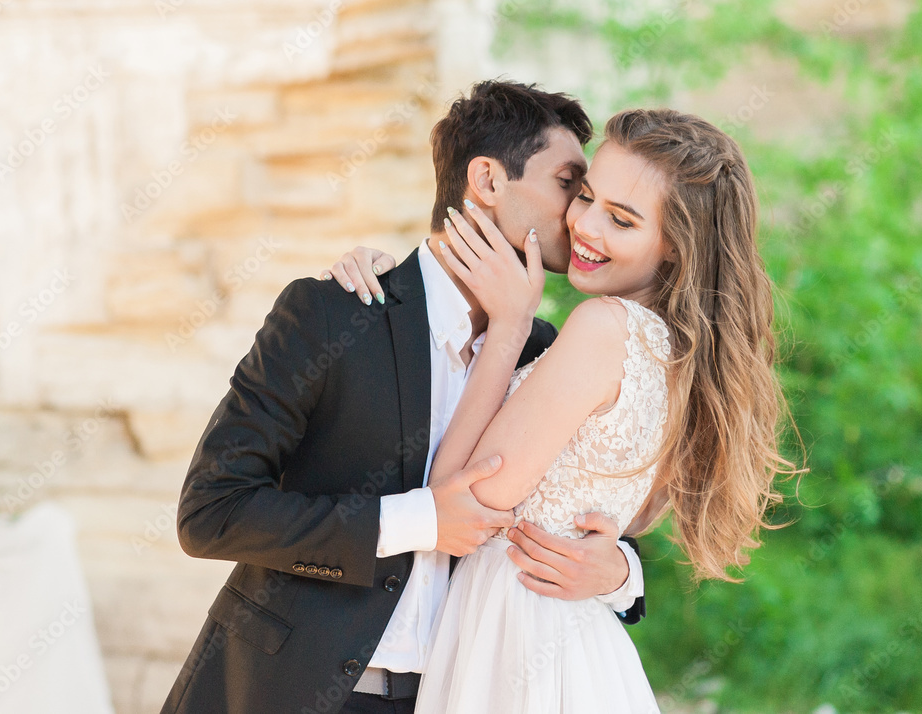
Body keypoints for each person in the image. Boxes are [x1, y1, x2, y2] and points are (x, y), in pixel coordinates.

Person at [161, 80, 648, 714]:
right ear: (488, 180)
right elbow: (211, 514)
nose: (580, 216)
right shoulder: (334, 314)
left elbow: (585, 518)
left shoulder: (543, 353)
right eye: (568, 185)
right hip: (285, 690)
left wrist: (619, 574)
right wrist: (419, 519)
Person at [330, 108, 800, 713]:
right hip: (562, 634)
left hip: (519, 632)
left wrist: (508, 327)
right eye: (585, 197)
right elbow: (620, 526)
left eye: (622, 220)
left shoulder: (604, 328)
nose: (585, 226)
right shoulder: (681, 353)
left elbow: (458, 496)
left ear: (677, 247)